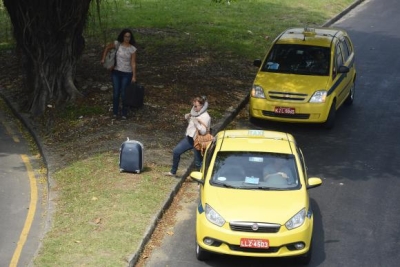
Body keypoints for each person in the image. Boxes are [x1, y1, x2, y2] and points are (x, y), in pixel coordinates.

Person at [164, 96, 211, 177]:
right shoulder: (195, 113)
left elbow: (203, 132)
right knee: (176, 151)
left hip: (199, 141)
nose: (194, 108)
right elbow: (191, 127)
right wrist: (188, 118)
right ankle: (173, 172)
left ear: (202, 106)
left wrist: (196, 122)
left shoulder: (206, 117)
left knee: (198, 162)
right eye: (193, 106)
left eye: (196, 106)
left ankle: (203, 178)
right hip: (189, 139)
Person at [101, 29, 137, 120]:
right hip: (116, 72)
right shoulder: (117, 44)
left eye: (129, 36)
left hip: (127, 73)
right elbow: (107, 48)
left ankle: (124, 112)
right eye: (125, 36)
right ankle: (115, 112)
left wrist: (134, 75)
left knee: (124, 93)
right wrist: (103, 59)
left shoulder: (132, 49)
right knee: (116, 92)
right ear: (122, 36)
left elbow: (133, 62)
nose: (127, 38)